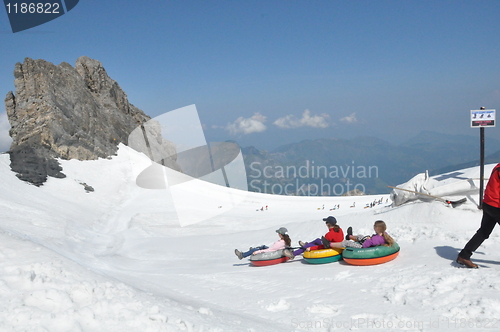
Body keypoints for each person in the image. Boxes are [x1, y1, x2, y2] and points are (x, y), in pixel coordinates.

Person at [457, 163, 500, 268]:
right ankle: (463, 256)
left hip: (489, 203)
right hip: (496, 205)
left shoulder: (498, 166)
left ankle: (464, 256)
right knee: (483, 232)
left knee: (483, 232)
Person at [323, 220, 395, 249]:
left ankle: (329, 244)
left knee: (346, 242)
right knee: (361, 236)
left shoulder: (375, 239)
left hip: (362, 247)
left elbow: (365, 245)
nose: (373, 227)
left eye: (374, 226)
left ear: (377, 228)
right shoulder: (384, 234)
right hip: (369, 242)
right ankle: (350, 236)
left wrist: (368, 240)